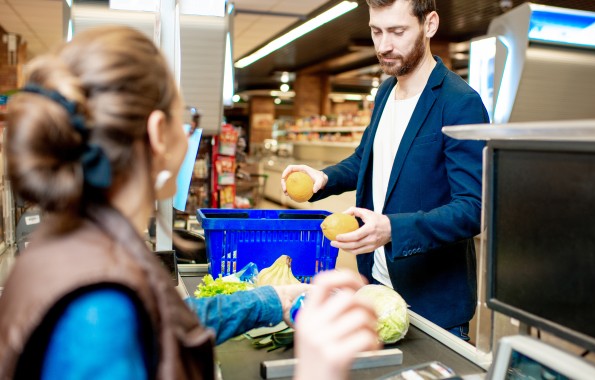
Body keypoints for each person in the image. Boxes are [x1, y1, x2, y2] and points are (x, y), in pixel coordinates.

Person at [0, 26, 378, 379]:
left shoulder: (74, 242)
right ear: (158, 134)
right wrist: (316, 370)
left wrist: (275, 299)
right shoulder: (99, 315)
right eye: (189, 119)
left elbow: (160, 321)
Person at [282, 0, 489, 340]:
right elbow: (367, 158)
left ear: (430, 24)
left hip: (432, 304)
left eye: (397, 31)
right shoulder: (385, 92)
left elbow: (474, 208)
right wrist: (324, 178)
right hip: (377, 288)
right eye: (376, 31)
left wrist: (394, 228)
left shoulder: (460, 102)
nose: (384, 46)